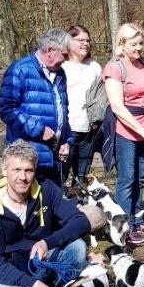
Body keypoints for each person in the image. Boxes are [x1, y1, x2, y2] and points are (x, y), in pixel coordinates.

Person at [0, 140, 90, 287]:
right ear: (4, 171)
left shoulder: (46, 189)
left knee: (77, 247)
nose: (23, 177)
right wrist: (33, 285)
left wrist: (47, 242)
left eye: (28, 170)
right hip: (7, 274)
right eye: (17, 170)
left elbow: (81, 221)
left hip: (38, 263)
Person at [103, 23, 144, 245]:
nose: (138, 48)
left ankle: (137, 220)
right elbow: (118, 107)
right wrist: (140, 131)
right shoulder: (114, 68)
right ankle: (123, 226)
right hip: (126, 130)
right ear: (122, 45)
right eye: (133, 44)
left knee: (142, 176)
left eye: (140, 43)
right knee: (127, 179)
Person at [0, 28, 72, 186]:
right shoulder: (19, 70)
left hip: (53, 159)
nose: (66, 59)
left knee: (53, 207)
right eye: (64, 55)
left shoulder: (60, 74)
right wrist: (37, 129)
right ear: (50, 50)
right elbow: (6, 109)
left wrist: (66, 140)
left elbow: (62, 112)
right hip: (28, 158)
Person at [62, 25, 102, 184]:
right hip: (68, 127)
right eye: (80, 40)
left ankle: (79, 205)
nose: (85, 43)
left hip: (89, 129)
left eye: (87, 40)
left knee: (82, 174)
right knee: (62, 171)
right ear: (69, 42)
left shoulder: (94, 66)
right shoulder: (62, 66)